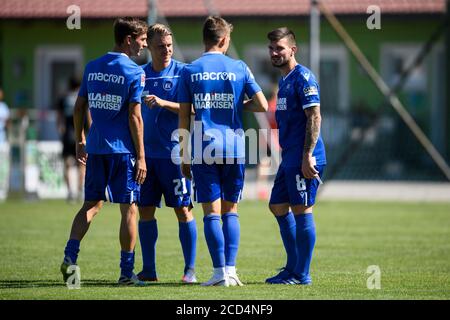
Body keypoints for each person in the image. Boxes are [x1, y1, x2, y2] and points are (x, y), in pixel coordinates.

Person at [178, 16, 268, 287]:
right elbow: (262, 104)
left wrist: (183, 155)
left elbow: (183, 117)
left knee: (211, 213)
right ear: (224, 40)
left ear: (204, 39)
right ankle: (231, 271)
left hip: (203, 148)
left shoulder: (190, 70)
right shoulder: (239, 67)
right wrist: (237, 105)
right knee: (231, 210)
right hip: (235, 147)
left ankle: (218, 273)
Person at [60, 17, 148, 286]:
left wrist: (80, 139)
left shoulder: (92, 66)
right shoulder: (134, 72)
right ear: (129, 39)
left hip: (96, 148)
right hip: (123, 152)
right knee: (130, 209)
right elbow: (135, 118)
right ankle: (126, 273)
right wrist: (142, 156)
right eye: (142, 40)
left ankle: (69, 257)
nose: (144, 45)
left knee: (90, 205)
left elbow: (78, 108)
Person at [136, 23, 197, 284]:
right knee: (145, 211)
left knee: (183, 210)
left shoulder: (184, 73)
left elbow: (193, 111)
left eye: (170, 45)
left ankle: (190, 271)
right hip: (146, 159)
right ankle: (149, 271)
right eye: (161, 46)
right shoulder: (139, 75)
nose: (167, 50)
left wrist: (163, 103)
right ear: (148, 46)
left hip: (174, 157)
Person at [265, 27, 326, 285]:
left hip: (304, 156)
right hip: (289, 154)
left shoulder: (304, 78)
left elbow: (315, 116)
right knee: (277, 206)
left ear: (293, 49)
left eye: (279, 48)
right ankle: (292, 267)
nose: (275, 53)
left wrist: (308, 155)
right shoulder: (284, 80)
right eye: (271, 49)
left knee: (302, 211)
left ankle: (302, 274)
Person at [56, 76, 88, 202]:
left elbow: (59, 119)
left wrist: (61, 130)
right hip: (81, 134)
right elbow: (89, 116)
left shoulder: (63, 98)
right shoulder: (83, 97)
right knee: (82, 164)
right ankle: (80, 191)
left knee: (68, 163)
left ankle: (70, 193)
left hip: (68, 135)